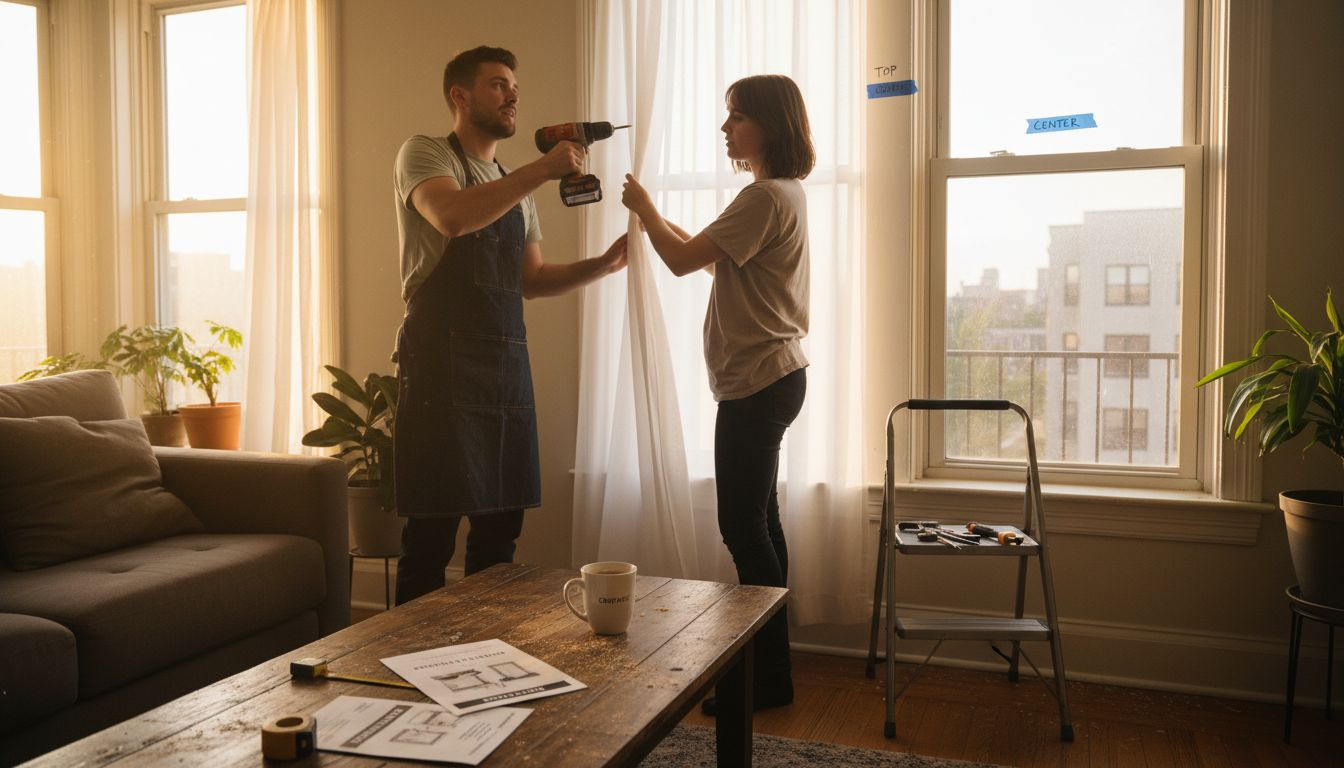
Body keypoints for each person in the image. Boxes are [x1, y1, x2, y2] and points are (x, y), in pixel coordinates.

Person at [392, 46, 628, 605]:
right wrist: (543, 170)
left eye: (513, 86)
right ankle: (400, 665)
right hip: (440, 367)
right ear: (460, 95)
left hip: (504, 373)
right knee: (430, 535)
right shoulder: (424, 153)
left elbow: (533, 279)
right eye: (498, 84)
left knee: (500, 539)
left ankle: (487, 662)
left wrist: (604, 264)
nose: (513, 94)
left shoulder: (511, 184)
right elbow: (451, 216)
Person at [620, 74, 813, 713]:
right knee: (763, 522)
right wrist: (659, 222)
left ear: (768, 124)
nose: (725, 128)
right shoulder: (782, 194)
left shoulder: (762, 198)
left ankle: (761, 676)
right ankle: (773, 672)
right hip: (777, 376)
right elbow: (709, 257)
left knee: (741, 525)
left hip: (758, 383)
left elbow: (680, 262)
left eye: (735, 117)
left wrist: (646, 212)